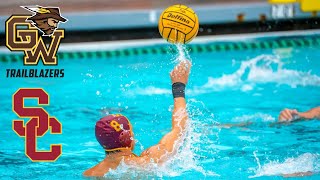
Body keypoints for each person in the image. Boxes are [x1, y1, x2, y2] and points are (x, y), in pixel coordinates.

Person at [83, 60, 191, 177]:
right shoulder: (148, 163)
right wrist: (178, 86)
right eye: (131, 131)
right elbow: (179, 130)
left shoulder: (90, 174)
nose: (133, 136)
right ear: (125, 138)